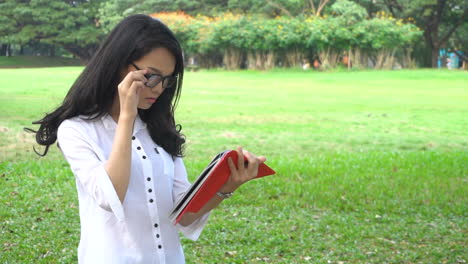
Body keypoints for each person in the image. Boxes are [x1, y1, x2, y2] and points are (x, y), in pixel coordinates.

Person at [27, 14, 266, 264]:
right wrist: (127, 116)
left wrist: (225, 187)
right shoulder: (76, 130)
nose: (158, 89)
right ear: (118, 63)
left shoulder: (158, 126)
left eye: (166, 80)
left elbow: (182, 216)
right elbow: (110, 197)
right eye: (150, 76)